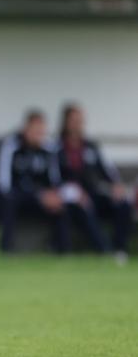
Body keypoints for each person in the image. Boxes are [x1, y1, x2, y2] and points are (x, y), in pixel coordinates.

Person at [56, 103, 133, 259]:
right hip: (71, 199)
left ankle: (120, 250)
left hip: (91, 193)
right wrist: (74, 193)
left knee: (122, 204)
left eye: (81, 120)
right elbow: (54, 178)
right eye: (74, 120)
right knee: (86, 207)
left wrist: (116, 186)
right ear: (66, 122)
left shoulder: (90, 146)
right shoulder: (56, 148)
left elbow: (106, 170)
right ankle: (105, 251)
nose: (78, 124)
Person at [0, 110, 67, 253]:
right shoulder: (11, 146)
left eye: (42, 132)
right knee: (9, 202)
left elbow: (55, 180)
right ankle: (6, 250)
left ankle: (62, 251)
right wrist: (38, 195)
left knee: (61, 205)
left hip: (41, 198)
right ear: (26, 129)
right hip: (16, 196)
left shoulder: (49, 149)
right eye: (36, 131)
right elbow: (4, 185)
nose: (40, 136)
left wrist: (53, 195)